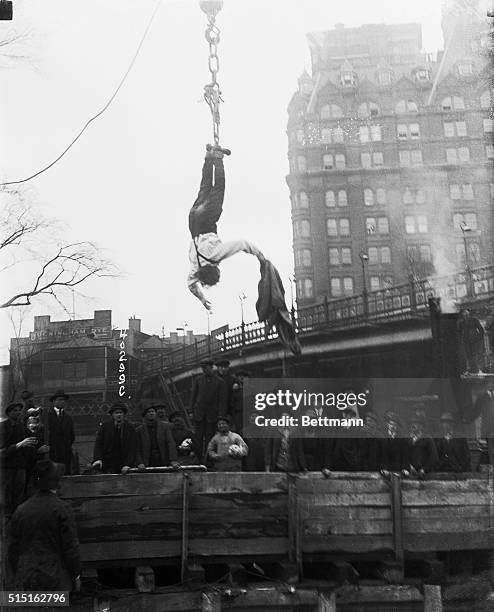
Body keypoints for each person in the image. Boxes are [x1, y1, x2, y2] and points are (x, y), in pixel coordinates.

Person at [187, 144, 264, 311]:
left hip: (206, 221)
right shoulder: (195, 268)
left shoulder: (216, 256)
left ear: (215, 269)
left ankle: (219, 158)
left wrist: (259, 255)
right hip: (193, 220)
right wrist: (202, 299)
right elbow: (191, 285)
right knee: (205, 187)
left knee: (218, 189)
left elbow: (242, 244)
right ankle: (209, 158)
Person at [8, 459, 81, 593]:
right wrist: (75, 576)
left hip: (26, 578)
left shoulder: (20, 510)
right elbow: (71, 549)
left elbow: (13, 549)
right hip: (55, 579)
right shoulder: (63, 509)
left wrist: (19, 575)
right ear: (57, 482)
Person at [0, 402, 37, 516]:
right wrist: (19, 445)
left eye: (19, 410)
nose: (18, 412)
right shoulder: (3, 427)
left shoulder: (22, 426)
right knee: (7, 495)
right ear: (9, 413)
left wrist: (39, 448)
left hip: (21, 467)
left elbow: (31, 442)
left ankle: (18, 517)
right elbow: (2, 452)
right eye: (14, 410)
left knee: (19, 494)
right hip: (7, 468)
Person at [191, 360, 227, 461]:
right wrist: (191, 411)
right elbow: (193, 396)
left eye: (206, 367)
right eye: (202, 368)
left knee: (210, 438)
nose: (204, 370)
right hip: (199, 413)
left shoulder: (220, 382)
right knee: (197, 438)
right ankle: (198, 459)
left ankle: (208, 460)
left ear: (211, 367)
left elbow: (222, 400)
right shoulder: (198, 380)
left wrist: (221, 415)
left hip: (212, 415)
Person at [92, 402, 137, 474]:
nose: (119, 415)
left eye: (121, 413)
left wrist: (128, 464)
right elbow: (98, 444)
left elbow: (133, 448)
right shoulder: (105, 427)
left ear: (124, 414)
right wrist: (98, 459)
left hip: (123, 464)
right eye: (116, 413)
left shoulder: (130, 428)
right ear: (112, 415)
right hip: (107, 463)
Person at [44, 389, 75, 475]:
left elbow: (72, 436)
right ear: (54, 401)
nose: (62, 402)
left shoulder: (68, 418)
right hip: (51, 452)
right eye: (60, 400)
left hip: (65, 452)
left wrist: (66, 445)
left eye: (64, 400)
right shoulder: (47, 416)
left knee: (65, 475)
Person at [457, 309, 485, 374]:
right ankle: (470, 369)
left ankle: (476, 369)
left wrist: (478, 338)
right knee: (468, 355)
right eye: (464, 313)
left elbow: (481, 330)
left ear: (469, 313)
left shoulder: (474, 320)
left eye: (466, 312)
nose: (465, 314)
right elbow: (459, 332)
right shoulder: (461, 322)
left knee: (474, 354)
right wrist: (461, 339)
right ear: (462, 314)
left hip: (474, 340)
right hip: (466, 341)